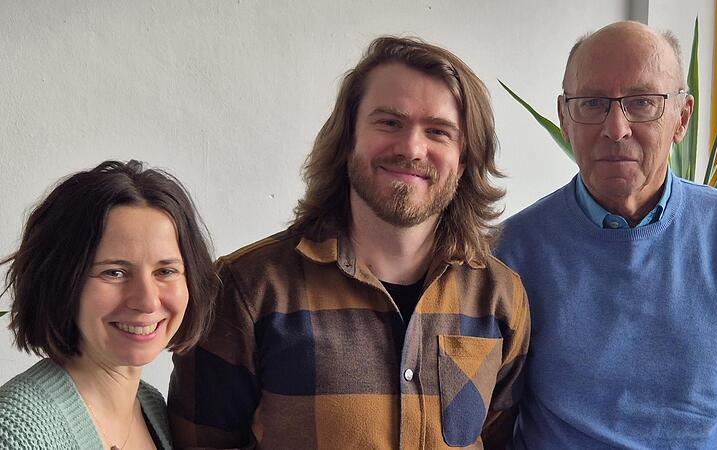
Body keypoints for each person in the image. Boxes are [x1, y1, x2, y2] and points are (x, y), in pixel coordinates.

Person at [169, 36, 530, 449]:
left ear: (464, 160)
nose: (412, 148)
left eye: (438, 132)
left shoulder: (501, 298)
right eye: (389, 122)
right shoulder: (247, 289)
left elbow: (499, 439)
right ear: (347, 140)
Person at [496, 21, 717, 449]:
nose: (616, 128)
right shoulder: (513, 251)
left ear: (681, 118)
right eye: (592, 103)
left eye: (642, 102)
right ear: (565, 118)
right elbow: (496, 418)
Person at [0, 160, 217, 450]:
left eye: (165, 271)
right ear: (59, 281)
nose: (147, 301)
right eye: (114, 272)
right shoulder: (18, 432)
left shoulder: (151, 405)